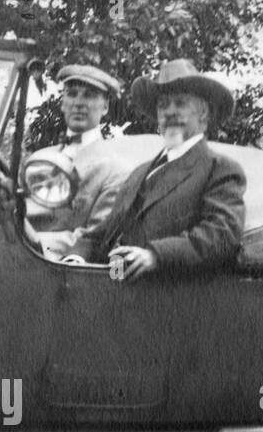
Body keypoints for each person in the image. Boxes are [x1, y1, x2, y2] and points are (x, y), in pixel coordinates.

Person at [87, 59, 246, 281]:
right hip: (111, 288)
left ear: (203, 113)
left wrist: (156, 255)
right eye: (163, 105)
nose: (169, 112)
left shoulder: (220, 169)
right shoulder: (139, 173)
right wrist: (74, 256)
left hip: (165, 299)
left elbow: (222, 235)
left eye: (180, 103)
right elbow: (104, 232)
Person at [29, 64, 148, 257]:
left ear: (105, 106)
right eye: (72, 93)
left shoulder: (116, 170)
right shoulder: (39, 159)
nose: (78, 103)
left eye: (89, 95)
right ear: (62, 102)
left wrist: (31, 239)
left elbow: (91, 241)